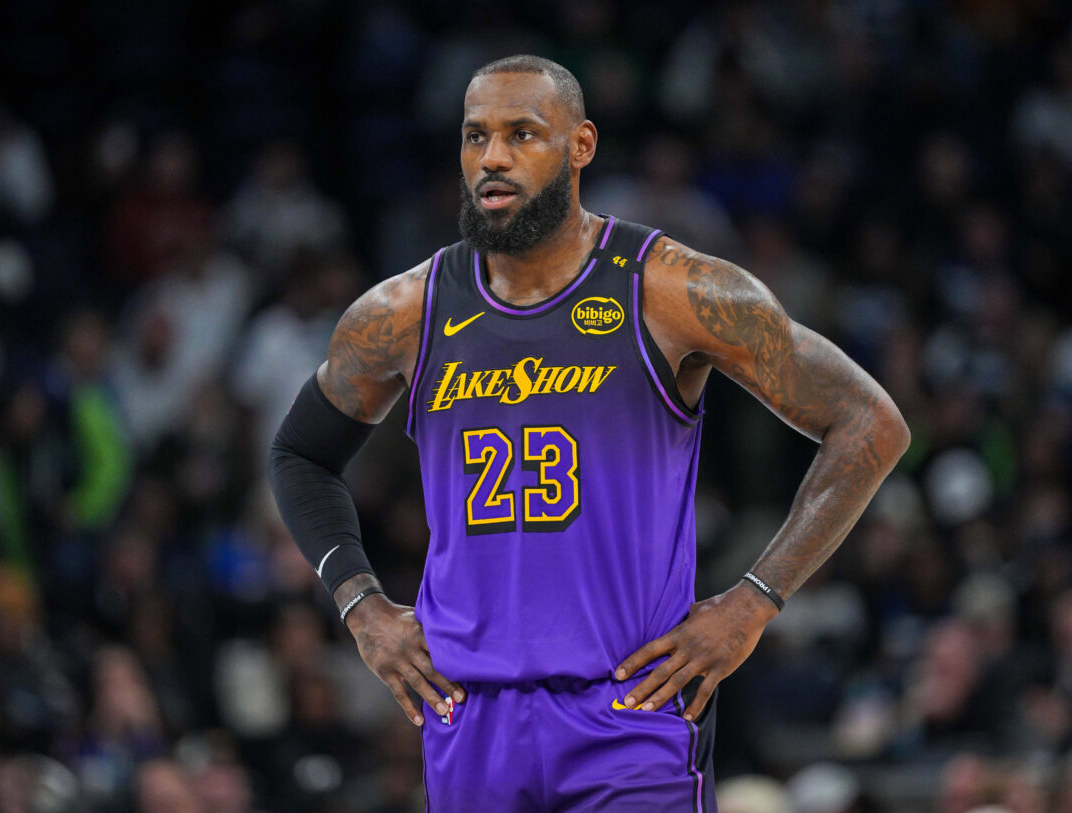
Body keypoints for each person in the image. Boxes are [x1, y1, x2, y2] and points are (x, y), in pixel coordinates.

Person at [269, 55, 909, 811]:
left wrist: (754, 602)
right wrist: (363, 609)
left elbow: (871, 423)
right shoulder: (403, 312)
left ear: (581, 146)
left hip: (630, 712)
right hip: (468, 714)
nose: (493, 158)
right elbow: (299, 454)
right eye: (476, 137)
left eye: (522, 134)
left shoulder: (671, 288)